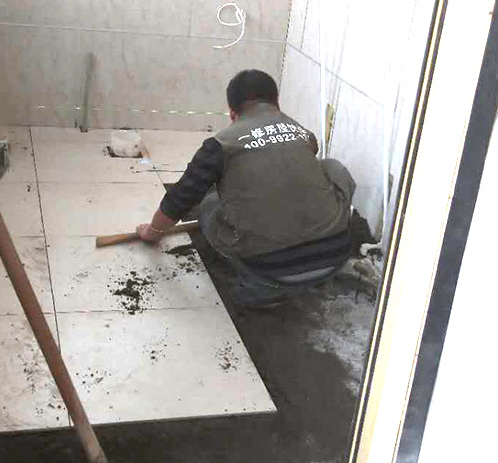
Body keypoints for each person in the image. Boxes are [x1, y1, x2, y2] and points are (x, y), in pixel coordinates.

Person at [137, 69, 357, 307]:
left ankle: (261, 290)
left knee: (210, 203)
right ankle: (314, 260)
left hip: (274, 268)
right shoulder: (302, 132)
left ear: (232, 113)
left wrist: (152, 232)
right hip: (335, 255)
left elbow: (182, 197)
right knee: (331, 167)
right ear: (276, 102)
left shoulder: (221, 145)